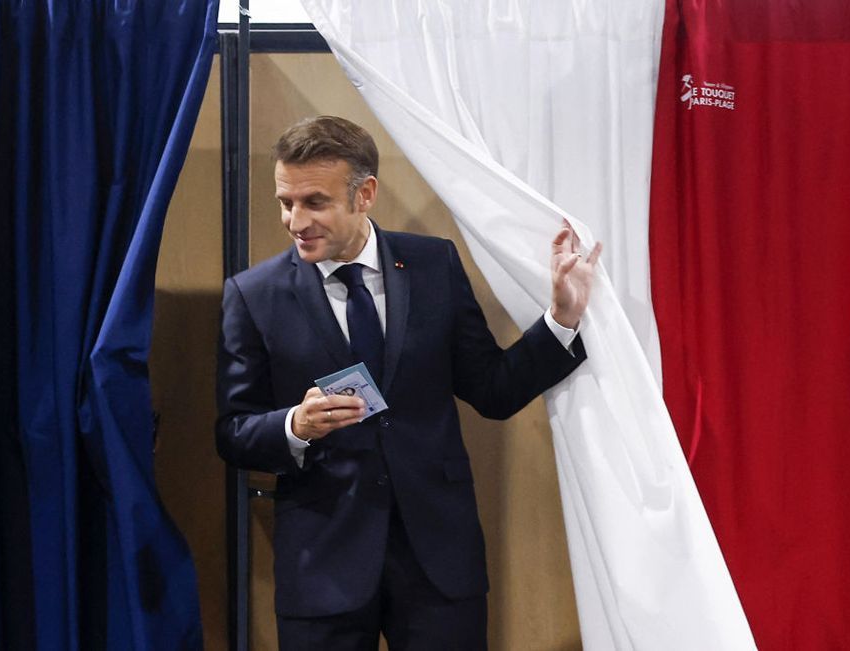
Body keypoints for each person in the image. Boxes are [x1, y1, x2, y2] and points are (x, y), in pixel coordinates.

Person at [216, 116, 601, 650]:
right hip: (323, 565)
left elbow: (493, 390)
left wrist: (561, 318)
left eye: (314, 202)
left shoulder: (433, 264)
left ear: (365, 194)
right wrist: (293, 426)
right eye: (287, 202)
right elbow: (232, 431)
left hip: (439, 562)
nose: (295, 221)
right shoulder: (253, 295)